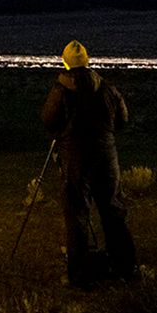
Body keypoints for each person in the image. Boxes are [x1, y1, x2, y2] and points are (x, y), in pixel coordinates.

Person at [41, 40, 137, 289]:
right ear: (87, 60)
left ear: (65, 62)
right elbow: (123, 119)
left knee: (77, 214)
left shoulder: (60, 90)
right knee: (113, 210)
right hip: (106, 156)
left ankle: (80, 274)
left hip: (74, 158)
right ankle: (125, 266)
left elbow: (49, 120)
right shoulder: (106, 88)